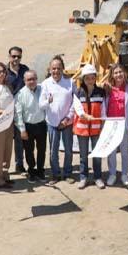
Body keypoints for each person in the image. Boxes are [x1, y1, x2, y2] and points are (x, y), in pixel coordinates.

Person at [40, 56, 75, 184]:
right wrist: (47, 102)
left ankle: (67, 173)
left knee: (68, 150)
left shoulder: (70, 83)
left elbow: (74, 103)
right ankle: (55, 174)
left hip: (67, 123)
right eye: (53, 68)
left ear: (63, 69)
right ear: (50, 69)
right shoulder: (45, 84)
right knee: (53, 151)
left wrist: (67, 118)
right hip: (52, 123)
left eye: (59, 68)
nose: (56, 71)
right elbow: (41, 105)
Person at [104, 64, 128, 186]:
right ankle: (112, 174)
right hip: (111, 125)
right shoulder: (107, 88)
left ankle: (124, 174)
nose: (119, 75)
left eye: (120, 72)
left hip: (125, 124)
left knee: (125, 151)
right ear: (112, 75)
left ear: (124, 73)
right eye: (116, 73)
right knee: (111, 151)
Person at [71, 64, 105, 189]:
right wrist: (86, 116)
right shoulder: (78, 92)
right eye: (87, 78)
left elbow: (103, 111)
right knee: (83, 155)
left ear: (95, 78)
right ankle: (83, 177)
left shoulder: (100, 92)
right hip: (82, 129)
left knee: (97, 154)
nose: (90, 80)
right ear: (83, 79)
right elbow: (78, 110)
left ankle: (98, 177)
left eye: (92, 78)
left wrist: (103, 125)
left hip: (96, 129)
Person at [14, 70, 47, 183]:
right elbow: (18, 114)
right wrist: (22, 130)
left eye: (33, 79)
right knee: (29, 150)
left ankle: (41, 170)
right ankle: (31, 170)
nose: (31, 81)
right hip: (28, 127)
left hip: (41, 125)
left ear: (37, 79)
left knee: (42, 149)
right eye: (29, 80)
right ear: (24, 81)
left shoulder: (42, 89)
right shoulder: (20, 94)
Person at [5, 46, 30, 175]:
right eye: (13, 56)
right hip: (7, 111)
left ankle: (19, 165)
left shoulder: (25, 70)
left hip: (22, 111)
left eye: (18, 57)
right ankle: (4, 167)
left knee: (20, 139)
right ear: (9, 57)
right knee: (7, 140)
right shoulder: (3, 71)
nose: (16, 59)